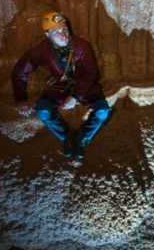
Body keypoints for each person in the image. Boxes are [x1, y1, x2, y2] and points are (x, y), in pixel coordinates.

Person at [12, 11, 112, 158]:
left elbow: (91, 73)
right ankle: (67, 137)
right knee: (42, 110)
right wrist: (21, 99)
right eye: (56, 32)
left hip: (84, 85)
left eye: (65, 29)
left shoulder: (81, 45)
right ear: (47, 35)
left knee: (102, 110)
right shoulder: (41, 50)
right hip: (61, 85)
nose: (63, 35)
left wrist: (75, 96)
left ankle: (82, 138)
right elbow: (19, 71)